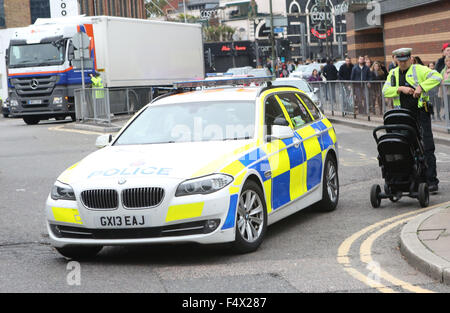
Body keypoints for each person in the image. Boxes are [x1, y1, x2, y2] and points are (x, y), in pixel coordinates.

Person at [382, 48, 443, 192]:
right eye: (400, 61)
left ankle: (431, 181)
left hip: (420, 113)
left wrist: (421, 87)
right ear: (396, 60)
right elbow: (385, 90)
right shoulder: (393, 73)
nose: (402, 64)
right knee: (404, 146)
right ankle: (407, 178)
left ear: (411, 59)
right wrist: (400, 89)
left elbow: (437, 77)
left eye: (405, 61)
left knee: (426, 146)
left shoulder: (419, 70)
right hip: (402, 115)